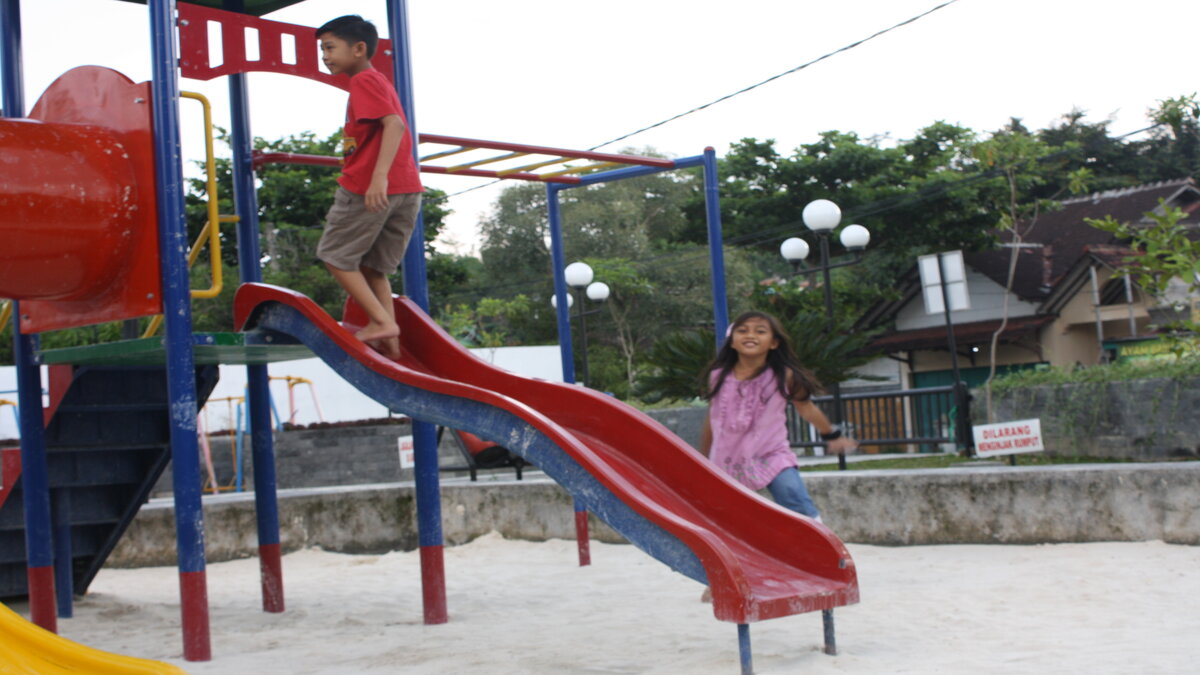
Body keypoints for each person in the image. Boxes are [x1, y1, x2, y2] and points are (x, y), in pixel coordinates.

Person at [314, 15, 423, 359]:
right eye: (322, 49)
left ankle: (381, 322)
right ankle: (390, 338)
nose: (325, 56)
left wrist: (378, 178)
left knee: (335, 256)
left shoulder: (363, 81)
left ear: (358, 49)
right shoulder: (378, 82)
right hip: (408, 190)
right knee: (374, 268)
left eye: (330, 47)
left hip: (367, 188)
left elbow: (394, 126)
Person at [699, 311, 857, 522]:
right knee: (724, 514)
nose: (750, 335)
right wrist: (702, 456)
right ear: (732, 342)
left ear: (773, 343)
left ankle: (817, 541)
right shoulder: (718, 376)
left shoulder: (784, 375)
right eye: (742, 330)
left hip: (771, 455)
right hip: (728, 458)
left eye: (760, 331)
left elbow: (806, 408)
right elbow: (714, 418)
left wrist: (831, 434)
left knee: (793, 496)